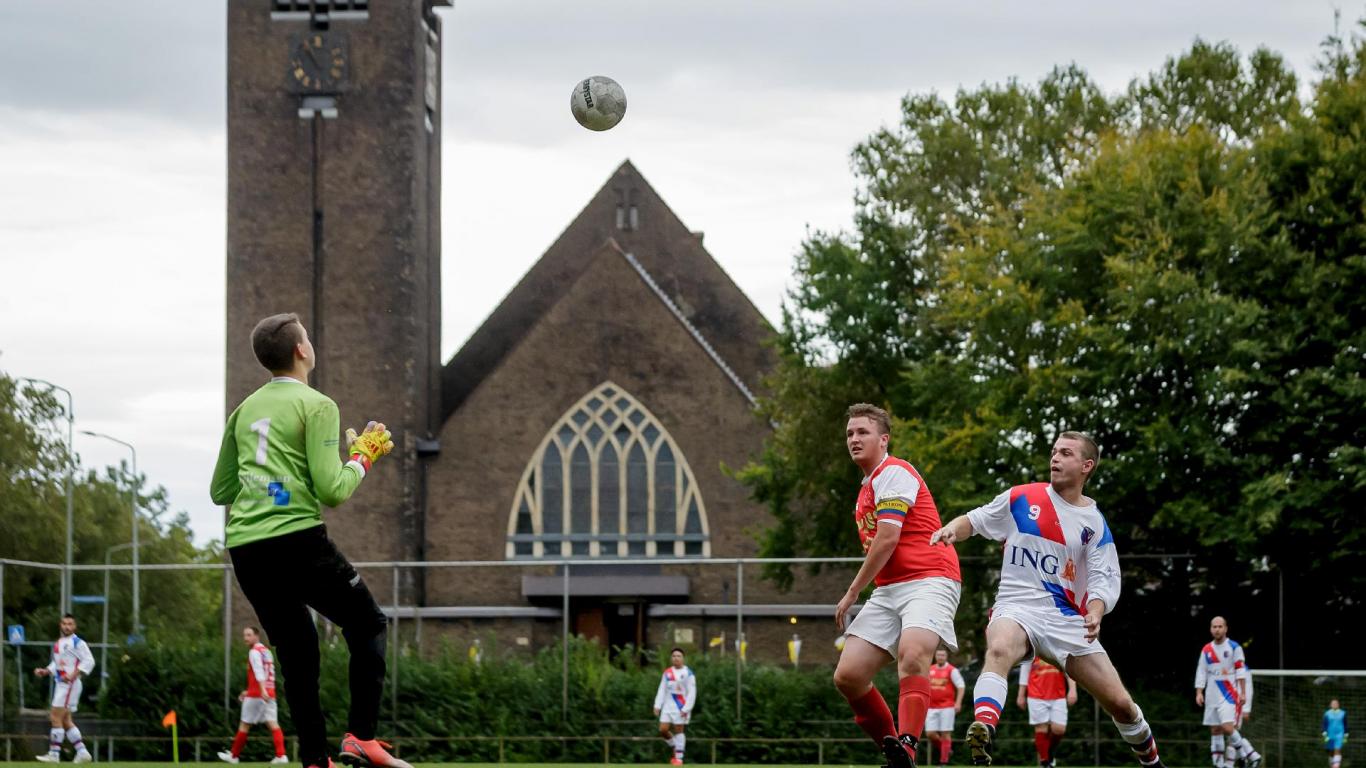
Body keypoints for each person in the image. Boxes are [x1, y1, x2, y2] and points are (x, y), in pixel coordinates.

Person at [211, 312, 401, 768]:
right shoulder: (318, 405)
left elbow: (222, 491)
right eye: (309, 339)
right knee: (369, 624)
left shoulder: (243, 412)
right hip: (296, 540)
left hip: (246, 549)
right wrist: (363, 457)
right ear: (301, 350)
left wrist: (270, 485)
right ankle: (361, 737)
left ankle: (315, 760)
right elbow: (333, 490)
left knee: (298, 653)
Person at [930, 431, 1164, 767]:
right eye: (1054, 451)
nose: (1055, 458)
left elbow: (1103, 578)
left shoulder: (1094, 524)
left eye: (1065, 453)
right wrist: (952, 529)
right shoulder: (1022, 497)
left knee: (1122, 704)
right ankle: (983, 728)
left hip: (1066, 619)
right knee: (999, 648)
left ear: (1086, 465)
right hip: (1016, 605)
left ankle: (1153, 762)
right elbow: (975, 519)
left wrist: (1095, 612)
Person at [832, 403, 962, 768]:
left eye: (863, 432)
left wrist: (853, 590)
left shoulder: (895, 471)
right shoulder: (865, 489)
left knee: (912, 653)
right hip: (891, 589)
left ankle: (907, 744)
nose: (854, 439)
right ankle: (897, 756)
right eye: (849, 434)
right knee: (849, 676)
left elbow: (887, 540)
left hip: (930, 578)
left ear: (884, 439)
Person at [1195, 616, 1261, 768]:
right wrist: (1199, 692)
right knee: (1215, 729)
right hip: (1211, 694)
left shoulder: (1234, 647)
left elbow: (1240, 671)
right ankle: (1219, 765)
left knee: (1228, 727)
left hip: (1229, 694)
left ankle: (1248, 754)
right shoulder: (1206, 649)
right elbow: (1201, 671)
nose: (1217, 629)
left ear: (1225, 628)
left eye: (1220, 626)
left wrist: (1243, 692)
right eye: (1214, 626)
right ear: (1211, 629)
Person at [218, 626, 288, 764]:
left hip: (258, 694)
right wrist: (252, 690)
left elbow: (259, 671)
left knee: (244, 725)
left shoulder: (254, 652)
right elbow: (267, 674)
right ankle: (281, 756)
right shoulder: (266, 651)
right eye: (245, 635)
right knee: (273, 724)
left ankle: (234, 756)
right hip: (269, 692)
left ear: (257, 636)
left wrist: (260, 690)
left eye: (249, 635)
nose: (246, 638)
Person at [33, 614, 94, 764]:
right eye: (64, 623)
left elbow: (89, 660)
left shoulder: (77, 642)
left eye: (70, 624)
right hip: (62, 683)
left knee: (55, 716)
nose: (67, 626)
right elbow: (58, 663)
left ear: (75, 626)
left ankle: (54, 754)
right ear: (60, 625)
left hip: (69, 684)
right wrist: (46, 671)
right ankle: (82, 751)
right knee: (65, 720)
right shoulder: (59, 643)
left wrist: (73, 674)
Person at [1016, 656, 1077, 768]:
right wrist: (1021, 695)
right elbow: (1024, 673)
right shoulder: (1032, 648)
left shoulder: (1058, 646)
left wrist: (1073, 689)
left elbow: (1069, 669)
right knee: (1041, 728)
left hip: (1058, 695)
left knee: (1059, 729)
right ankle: (1044, 762)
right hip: (1036, 695)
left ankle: (1049, 753)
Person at [653, 648, 697, 765]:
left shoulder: (688, 673)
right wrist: (657, 705)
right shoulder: (667, 673)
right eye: (674, 656)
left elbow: (692, 692)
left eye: (678, 656)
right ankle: (674, 745)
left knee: (679, 731)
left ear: (683, 658)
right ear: (671, 658)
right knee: (663, 730)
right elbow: (661, 689)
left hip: (680, 706)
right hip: (667, 706)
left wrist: (686, 708)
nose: (676, 658)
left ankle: (679, 758)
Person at [924, 649, 965, 767]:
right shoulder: (930, 669)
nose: (940, 657)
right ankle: (946, 749)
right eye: (938, 655)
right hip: (931, 707)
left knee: (945, 734)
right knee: (930, 734)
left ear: (946, 656)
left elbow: (961, 686)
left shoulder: (952, 670)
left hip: (947, 707)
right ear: (935, 656)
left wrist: (958, 703)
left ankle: (943, 762)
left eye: (943, 655)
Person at [1323, 698, 1348, 768]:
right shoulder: (1327, 714)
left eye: (1336, 703)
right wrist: (1325, 735)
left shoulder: (1343, 713)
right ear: (1330, 705)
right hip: (1330, 735)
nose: (1334, 704)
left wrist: (1346, 735)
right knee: (1331, 751)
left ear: (1338, 704)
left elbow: (1345, 724)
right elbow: (1324, 725)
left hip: (1340, 734)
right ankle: (1332, 765)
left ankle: (1336, 766)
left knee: (1337, 749)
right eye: (1333, 703)